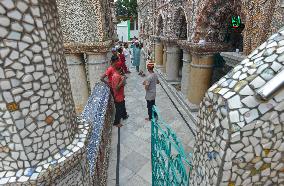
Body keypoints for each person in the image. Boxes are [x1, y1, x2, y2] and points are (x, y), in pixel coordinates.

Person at [112, 63, 128, 127]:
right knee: (119, 109)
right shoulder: (116, 76)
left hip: (120, 95)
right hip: (118, 96)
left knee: (123, 105)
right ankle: (116, 123)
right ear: (120, 69)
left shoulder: (118, 75)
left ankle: (124, 116)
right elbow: (116, 88)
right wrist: (122, 80)